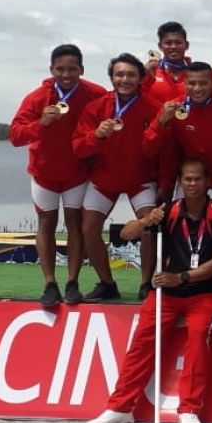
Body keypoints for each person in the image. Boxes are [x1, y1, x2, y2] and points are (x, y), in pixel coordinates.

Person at [85, 159, 212, 423]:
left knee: (198, 336)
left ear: (207, 182)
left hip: (204, 291)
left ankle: (189, 409)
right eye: (187, 179)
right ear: (179, 181)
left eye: (198, 179)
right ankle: (120, 408)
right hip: (166, 291)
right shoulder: (169, 211)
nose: (192, 184)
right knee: (142, 340)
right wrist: (145, 221)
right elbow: (124, 235)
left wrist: (184, 277)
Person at [144, 61, 212, 303]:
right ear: (184, 84)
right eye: (191, 83)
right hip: (194, 179)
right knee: (171, 224)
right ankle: (162, 277)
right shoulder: (174, 107)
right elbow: (150, 146)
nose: (197, 88)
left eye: (203, 83)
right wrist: (161, 121)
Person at [9, 43, 107, 307]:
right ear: (51, 69)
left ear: (81, 69)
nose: (66, 74)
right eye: (60, 69)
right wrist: (41, 124)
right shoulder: (37, 98)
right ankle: (50, 283)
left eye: (72, 69)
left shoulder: (95, 94)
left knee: (75, 225)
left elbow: (116, 109)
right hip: (44, 173)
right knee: (46, 224)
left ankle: (72, 281)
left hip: (77, 172)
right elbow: (15, 136)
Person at [71, 53, 160, 302]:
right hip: (104, 179)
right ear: (111, 77)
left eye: (131, 74)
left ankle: (146, 283)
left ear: (141, 78)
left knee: (149, 227)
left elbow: (162, 150)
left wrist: (164, 184)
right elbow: (78, 148)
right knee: (88, 229)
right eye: (119, 74)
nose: (125, 79)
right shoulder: (96, 108)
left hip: (140, 180)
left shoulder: (153, 108)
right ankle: (107, 282)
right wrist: (96, 136)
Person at [144, 21, 192, 106]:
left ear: (186, 45)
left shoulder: (196, 73)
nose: (173, 47)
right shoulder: (149, 71)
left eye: (178, 42)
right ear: (160, 46)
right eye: (168, 43)